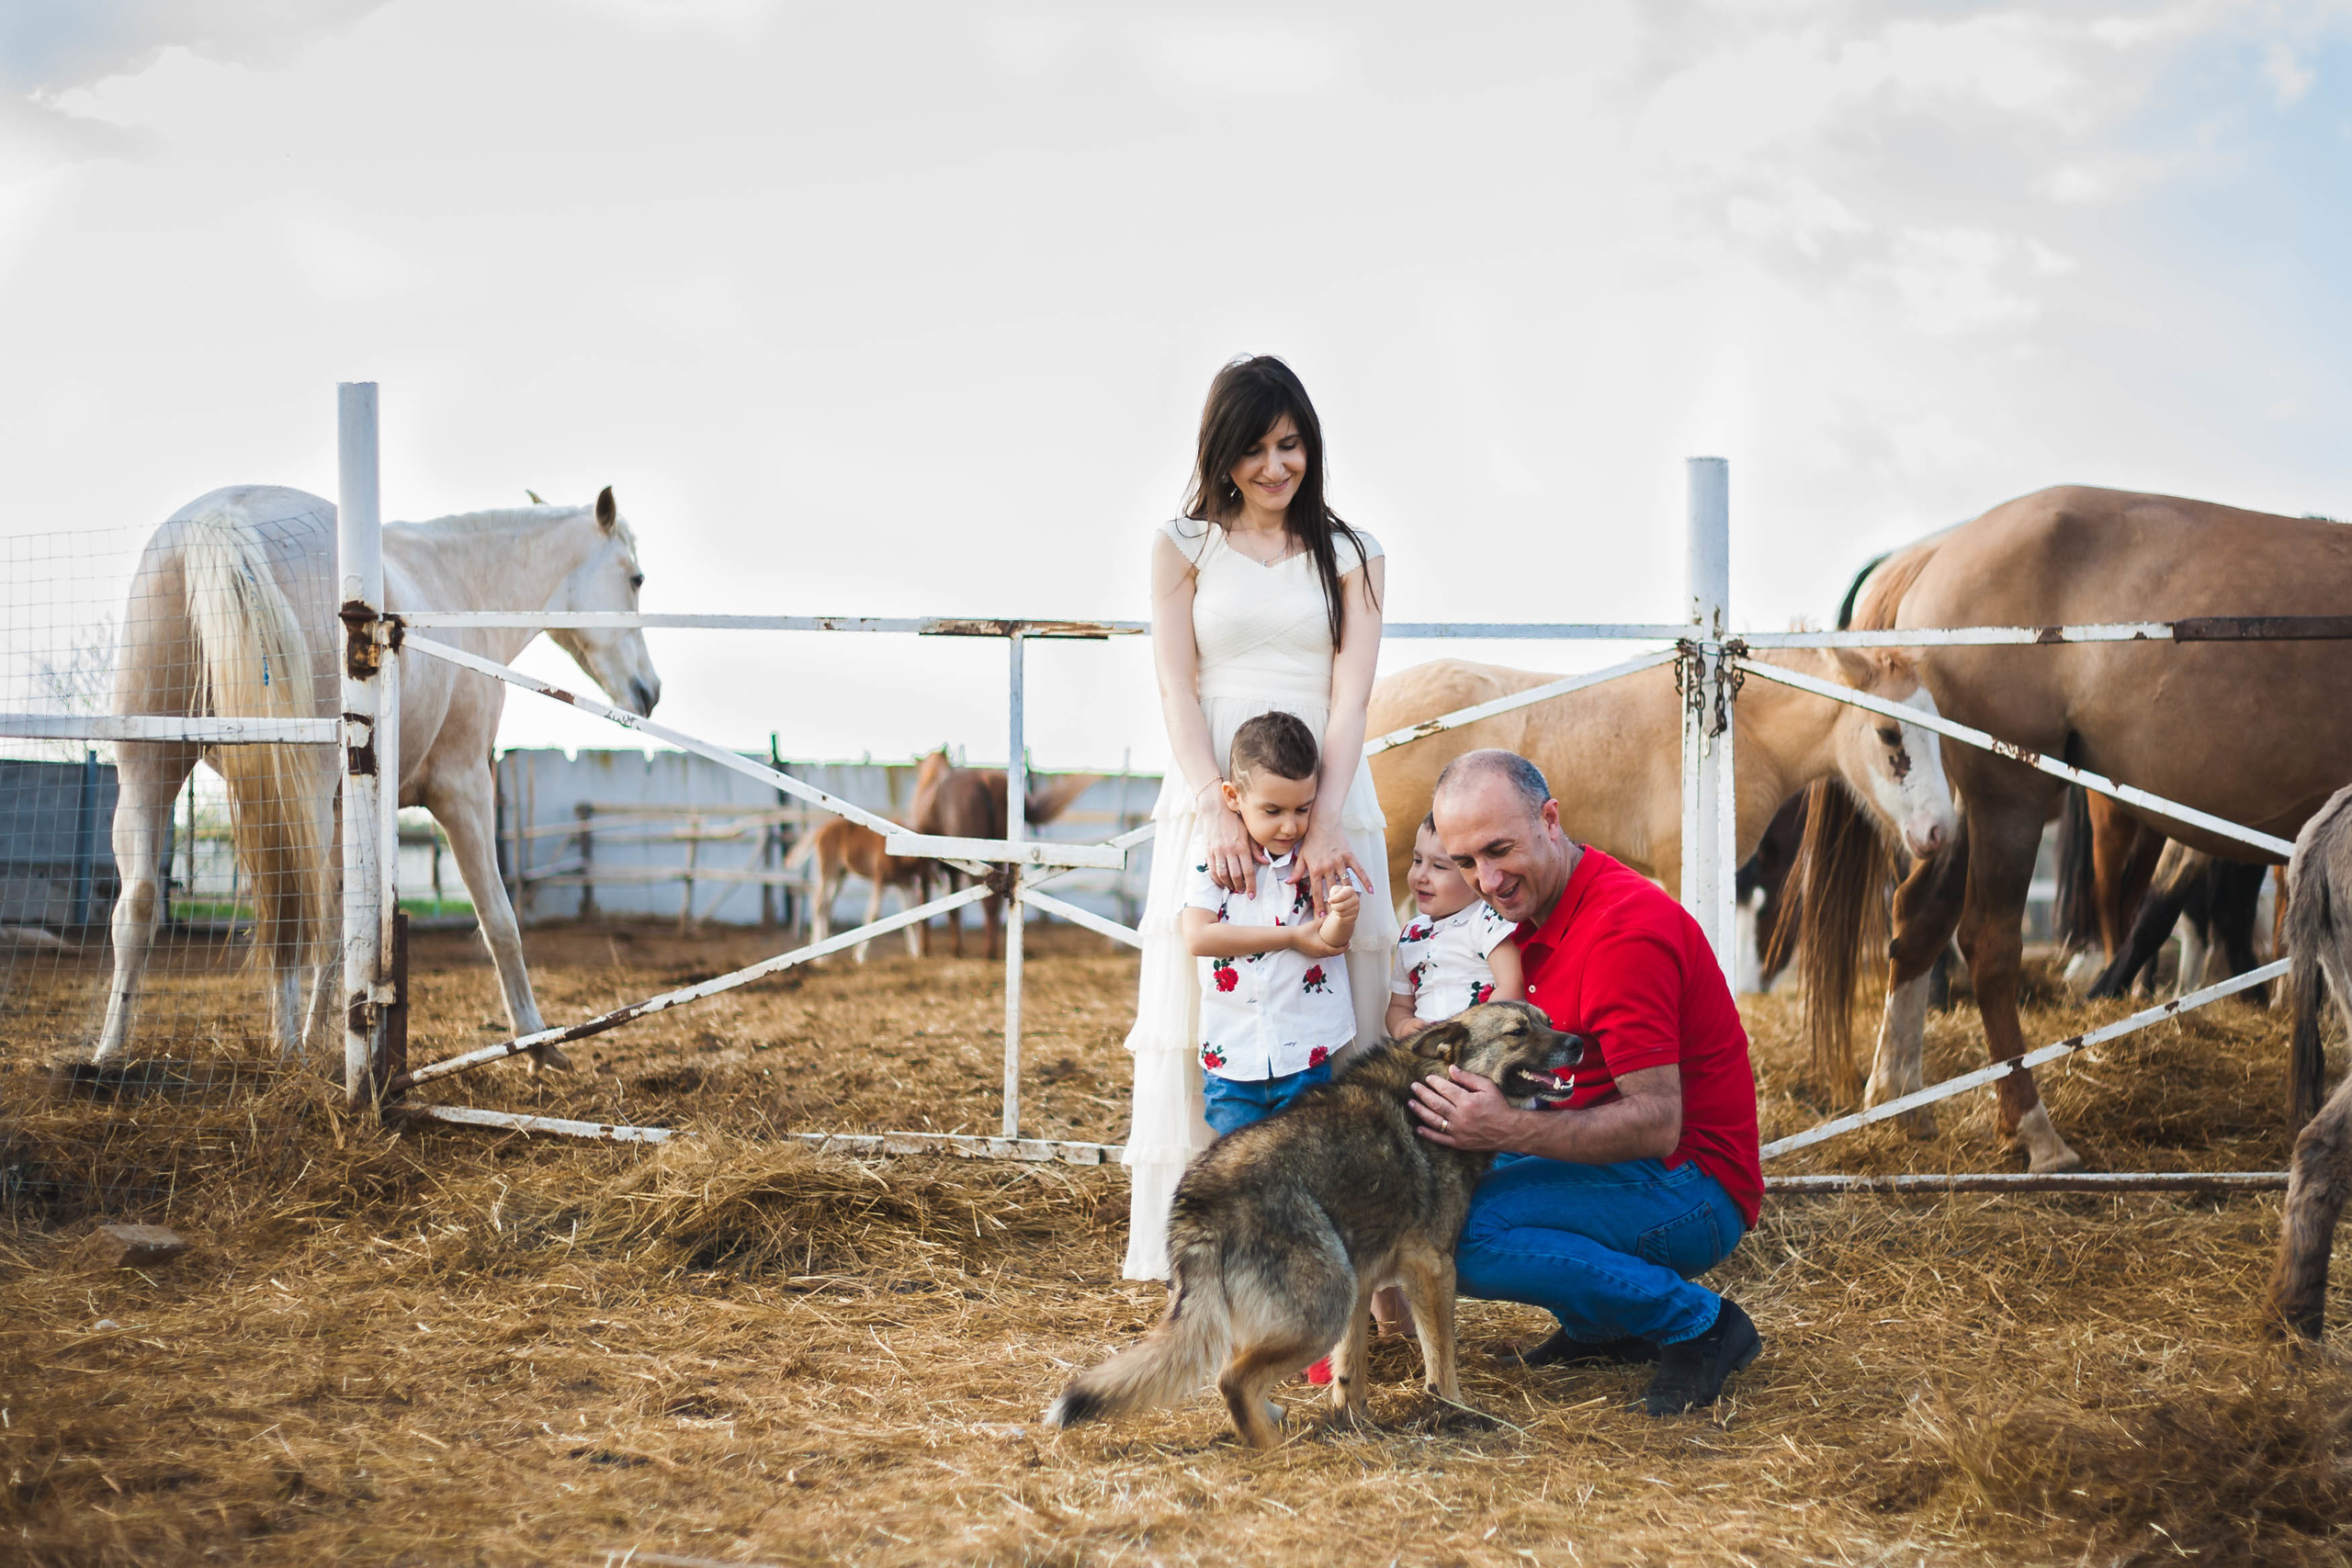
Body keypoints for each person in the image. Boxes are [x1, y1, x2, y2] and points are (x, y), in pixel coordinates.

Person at [1122, 355, 1396, 1282]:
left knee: (1343, 998)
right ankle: (1217, 1259)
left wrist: (1324, 820)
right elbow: (1176, 685)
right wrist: (1216, 807)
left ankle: (1352, 1262)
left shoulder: (1353, 553)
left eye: (1290, 445)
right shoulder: (1183, 546)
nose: (1275, 467)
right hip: (1215, 788)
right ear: (1222, 453)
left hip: (1328, 787)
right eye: (1254, 448)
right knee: (1211, 997)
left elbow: (1351, 699)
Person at [1409, 748, 1764, 1416]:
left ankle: (1700, 1324)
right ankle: (1603, 1323)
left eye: (1499, 850)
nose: (1487, 880)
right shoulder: (1527, 916)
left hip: (1693, 1186)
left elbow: (1656, 1123)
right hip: (1617, 1160)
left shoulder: (1622, 934)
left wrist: (1506, 1127)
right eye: (1465, 861)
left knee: (1456, 1232)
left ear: (1550, 819)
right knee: (1433, 1190)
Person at [1182, 712, 1363, 1134]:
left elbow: (1329, 940)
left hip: (1304, 1051)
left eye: (1303, 809)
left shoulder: (1318, 857)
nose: (1290, 825)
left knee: (1302, 1156)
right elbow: (1199, 936)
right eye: (1272, 810)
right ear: (1232, 797)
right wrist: (1291, 938)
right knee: (1238, 1164)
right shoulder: (1211, 855)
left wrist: (1343, 916)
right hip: (1233, 1055)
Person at [1386, 813, 1524, 1039]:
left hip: (1483, 1043)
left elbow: (1512, 987)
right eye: (1417, 861)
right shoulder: (1412, 933)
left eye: (1439, 866)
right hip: (1429, 1049)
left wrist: (1475, 1037)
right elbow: (1399, 1005)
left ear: (1475, 874)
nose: (1420, 876)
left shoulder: (1488, 919)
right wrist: (1403, 1026)